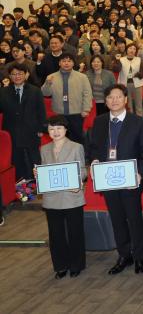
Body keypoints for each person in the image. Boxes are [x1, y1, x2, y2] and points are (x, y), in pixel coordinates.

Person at [87, 84, 143, 275]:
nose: (114, 100)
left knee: (134, 218)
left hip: (131, 178)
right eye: (110, 97)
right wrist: (94, 160)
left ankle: (139, 256)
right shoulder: (99, 121)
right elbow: (93, 147)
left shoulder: (138, 122)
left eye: (118, 97)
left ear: (125, 100)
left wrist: (139, 173)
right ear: (105, 101)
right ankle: (124, 255)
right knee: (117, 219)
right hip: (107, 178)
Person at [39, 115, 87, 279]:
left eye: (59, 128)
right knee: (56, 235)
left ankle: (76, 265)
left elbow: (83, 170)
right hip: (51, 198)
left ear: (66, 130)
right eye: (51, 129)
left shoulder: (76, 147)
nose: (55, 132)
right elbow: (45, 172)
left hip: (71, 196)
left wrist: (78, 181)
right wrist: (38, 175)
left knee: (75, 233)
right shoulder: (44, 149)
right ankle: (60, 266)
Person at [0, 63, 46, 182]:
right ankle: (21, 184)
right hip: (12, 131)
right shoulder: (3, 92)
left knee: (34, 158)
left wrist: (41, 129)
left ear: (26, 75)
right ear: (10, 76)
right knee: (16, 159)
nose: (17, 76)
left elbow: (41, 112)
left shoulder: (35, 91)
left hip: (31, 130)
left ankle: (38, 182)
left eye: (20, 73)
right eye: (14, 74)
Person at [41, 53, 93, 144]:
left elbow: (87, 94)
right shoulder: (51, 77)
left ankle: (79, 153)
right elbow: (45, 93)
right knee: (61, 139)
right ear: (59, 63)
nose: (66, 63)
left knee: (77, 138)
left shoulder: (82, 77)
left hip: (76, 113)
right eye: (64, 61)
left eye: (69, 61)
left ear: (73, 63)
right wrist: (48, 83)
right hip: (59, 113)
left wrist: (86, 109)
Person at [112, 43, 143, 117]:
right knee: (128, 105)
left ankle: (139, 121)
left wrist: (138, 74)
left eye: (134, 49)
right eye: (130, 48)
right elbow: (116, 70)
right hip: (125, 85)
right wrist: (117, 61)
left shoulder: (139, 60)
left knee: (139, 105)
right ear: (126, 50)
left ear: (136, 51)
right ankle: (130, 120)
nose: (132, 50)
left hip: (137, 84)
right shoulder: (121, 59)